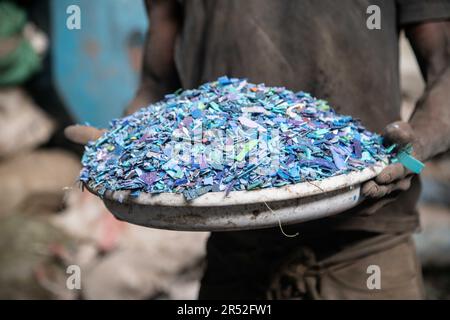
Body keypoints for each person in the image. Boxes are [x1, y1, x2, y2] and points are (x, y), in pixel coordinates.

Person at [66, 0, 450, 299]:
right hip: (236, 254)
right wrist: (124, 142)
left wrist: (417, 146)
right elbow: (154, 85)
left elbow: (444, 70)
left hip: (364, 250)